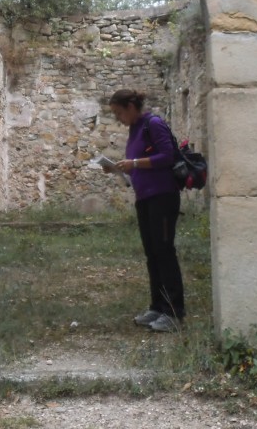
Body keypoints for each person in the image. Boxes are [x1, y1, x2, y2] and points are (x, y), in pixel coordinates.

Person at [108, 88, 184, 333]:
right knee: (152, 253)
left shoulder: (153, 124)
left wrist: (135, 163)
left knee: (164, 251)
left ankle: (174, 312)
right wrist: (120, 168)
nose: (118, 119)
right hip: (145, 198)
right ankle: (158, 306)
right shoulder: (135, 129)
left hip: (162, 197)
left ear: (131, 107)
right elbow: (139, 166)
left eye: (119, 113)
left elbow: (167, 156)